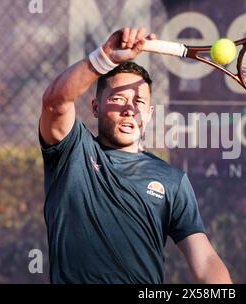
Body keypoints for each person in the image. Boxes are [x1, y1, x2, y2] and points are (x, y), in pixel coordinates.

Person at [39, 27, 232, 284]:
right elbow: (55, 103)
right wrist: (105, 57)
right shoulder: (71, 151)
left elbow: (206, 261)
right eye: (119, 98)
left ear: (150, 113)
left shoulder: (171, 180)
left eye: (139, 101)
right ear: (95, 107)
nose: (130, 109)